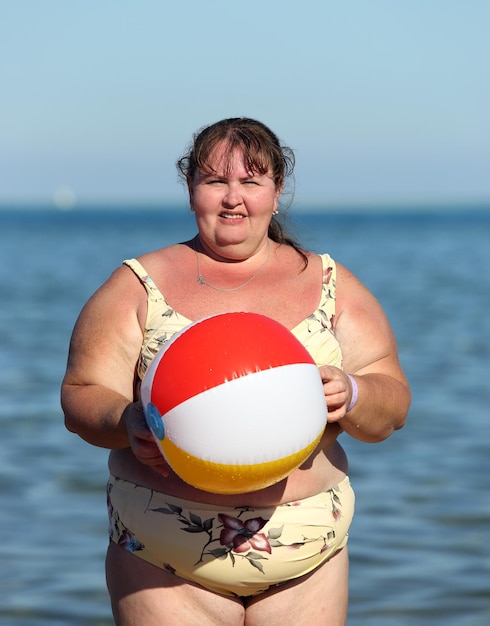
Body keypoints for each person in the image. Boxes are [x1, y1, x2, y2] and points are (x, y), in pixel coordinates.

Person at [61, 117, 411, 625]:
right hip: (163, 566)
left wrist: (354, 393)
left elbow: (393, 402)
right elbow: (80, 394)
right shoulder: (138, 285)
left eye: (251, 181)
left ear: (276, 190)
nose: (233, 198)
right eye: (214, 181)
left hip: (307, 564)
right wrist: (125, 420)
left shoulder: (330, 283)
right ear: (190, 190)